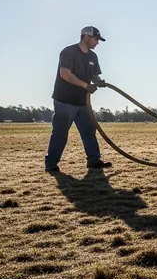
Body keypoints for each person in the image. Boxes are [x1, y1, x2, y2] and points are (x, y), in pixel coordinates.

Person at [44, 26, 112, 173]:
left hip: (83, 102)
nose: (97, 43)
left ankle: (94, 160)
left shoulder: (93, 57)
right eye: (95, 39)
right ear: (86, 37)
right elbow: (65, 73)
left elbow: (94, 75)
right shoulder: (69, 52)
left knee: (89, 131)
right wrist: (85, 85)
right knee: (60, 132)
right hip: (65, 100)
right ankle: (51, 163)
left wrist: (98, 81)